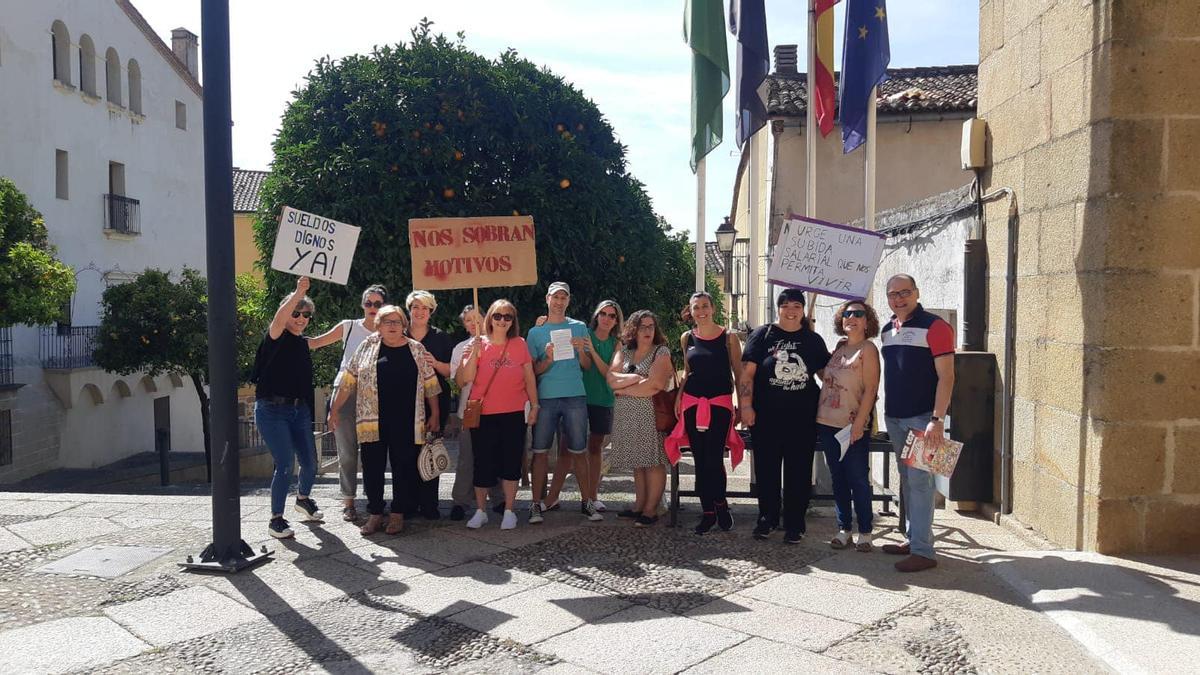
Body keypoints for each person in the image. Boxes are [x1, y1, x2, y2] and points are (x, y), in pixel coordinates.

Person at [327, 304, 441, 536]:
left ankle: (398, 514)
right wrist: (335, 410)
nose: (392, 326)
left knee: (404, 468)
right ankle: (376, 513)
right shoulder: (367, 346)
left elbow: (431, 384)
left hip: (408, 421)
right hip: (371, 420)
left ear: (404, 325)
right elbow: (349, 379)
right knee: (372, 468)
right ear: (377, 325)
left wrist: (436, 414)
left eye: (397, 321)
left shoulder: (416, 349)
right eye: (387, 321)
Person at [738, 288, 831, 544]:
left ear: (803, 310)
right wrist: (746, 406)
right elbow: (747, 375)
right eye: (786, 306)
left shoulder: (813, 340)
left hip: (802, 418)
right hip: (766, 417)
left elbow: (826, 376)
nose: (791, 311)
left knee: (798, 473)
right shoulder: (762, 335)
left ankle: (795, 523)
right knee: (766, 471)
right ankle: (767, 519)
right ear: (778, 308)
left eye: (797, 307)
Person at [880, 274, 955, 572]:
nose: (899, 298)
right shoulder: (888, 329)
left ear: (916, 293)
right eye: (893, 294)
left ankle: (924, 552)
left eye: (905, 292)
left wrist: (937, 419)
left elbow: (947, 376)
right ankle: (914, 538)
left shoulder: (935, 327)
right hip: (894, 417)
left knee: (921, 483)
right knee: (907, 481)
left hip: (923, 418)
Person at [664, 292, 745, 535]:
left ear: (713, 308)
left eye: (705, 306)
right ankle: (708, 512)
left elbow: (738, 374)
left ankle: (721, 504)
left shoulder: (729, 338)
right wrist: (678, 398)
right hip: (691, 405)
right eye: (696, 307)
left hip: (719, 406)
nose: (701, 311)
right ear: (691, 311)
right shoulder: (686, 338)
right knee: (700, 460)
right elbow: (688, 372)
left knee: (713, 459)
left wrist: (741, 404)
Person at [456, 300, 540, 529]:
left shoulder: (520, 344)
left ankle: (510, 510)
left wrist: (535, 406)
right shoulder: (477, 344)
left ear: (513, 321)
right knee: (482, 463)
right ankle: (481, 511)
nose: (502, 320)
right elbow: (465, 378)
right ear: (490, 318)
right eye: (498, 316)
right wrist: (474, 352)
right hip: (484, 413)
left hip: (514, 412)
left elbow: (529, 377)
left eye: (508, 316)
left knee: (511, 462)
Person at [307, 284, 387, 522]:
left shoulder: (390, 330)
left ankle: (375, 501)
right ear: (362, 305)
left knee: (375, 452)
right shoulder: (348, 327)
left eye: (378, 304)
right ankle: (349, 502)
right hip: (344, 392)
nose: (373, 308)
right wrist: (286, 332)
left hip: (375, 395)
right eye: (369, 303)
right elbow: (315, 342)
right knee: (347, 451)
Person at [251, 276, 324, 539]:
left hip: (298, 410)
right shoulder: (276, 336)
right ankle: (276, 520)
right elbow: (279, 320)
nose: (301, 318)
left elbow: (324, 339)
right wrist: (298, 292)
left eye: (306, 315)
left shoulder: (302, 343)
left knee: (310, 463)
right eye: (296, 312)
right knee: (284, 464)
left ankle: (303, 499)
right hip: (271, 410)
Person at [526, 281, 599, 524]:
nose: (559, 302)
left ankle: (587, 502)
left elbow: (587, 366)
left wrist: (581, 352)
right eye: (555, 297)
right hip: (546, 397)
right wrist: (546, 359)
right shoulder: (535, 332)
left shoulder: (579, 327)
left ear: (568, 301)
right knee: (540, 452)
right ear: (547, 299)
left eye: (563, 298)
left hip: (575, 395)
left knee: (580, 451)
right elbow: (532, 371)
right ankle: (535, 504)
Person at [544, 300, 623, 512]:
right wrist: (542, 322)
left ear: (616, 321)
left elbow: (609, 373)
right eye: (603, 314)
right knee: (566, 449)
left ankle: (592, 497)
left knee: (595, 448)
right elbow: (558, 328)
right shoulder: (582, 332)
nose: (607, 318)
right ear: (596, 316)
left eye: (612, 315)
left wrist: (594, 353)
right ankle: (552, 497)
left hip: (603, 400)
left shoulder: (617, 343)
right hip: (576, 397)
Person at [816, 300, 882, 552]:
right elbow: (827, 377)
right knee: (838, 478)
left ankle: (865, 531)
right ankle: (844, 528)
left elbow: (871, 389)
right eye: (847, 314)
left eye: (858, 314)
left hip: (852, 425)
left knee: (857, 478)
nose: (851, 317)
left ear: (868, 321)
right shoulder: (839, 348)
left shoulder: (868, 349)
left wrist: (859, 423)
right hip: (827, 422)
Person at [607, 310, 673, 526]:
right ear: (633, 330)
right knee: (638, 461)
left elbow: (655, 385)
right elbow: (610, 378)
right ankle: (639, 504)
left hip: (650, 415)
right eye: (643, 326)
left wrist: (624, 389)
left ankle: (651, 509)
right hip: (627, 415)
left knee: (653, 461)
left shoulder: (660, 352)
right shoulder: (624, 351)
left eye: (651, 326)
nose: (647, 331)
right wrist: (636, 378)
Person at [449, 305, 505, 520]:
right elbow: (459, 381)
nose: (474, 323)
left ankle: (498, 498)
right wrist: (470, 355)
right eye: (469, 320)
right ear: (464, 325)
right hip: (470, 408)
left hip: (497, 408)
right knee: (467, 457)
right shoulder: (460, 348)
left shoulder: (500, 343)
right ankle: (461, 501)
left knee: (495, 454)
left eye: (478, 318)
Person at [405, 290, 453, 520]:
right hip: (404, 402)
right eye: (415, 307)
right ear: (409, 309)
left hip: (436, 401)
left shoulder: (440, 337)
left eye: (424, 307)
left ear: (431, 311)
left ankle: (429, 504)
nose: (420, 311)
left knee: (431, 449)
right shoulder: (399, 333)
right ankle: (408, 502)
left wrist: (435, 363)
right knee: (406, 452)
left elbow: (451, 371)